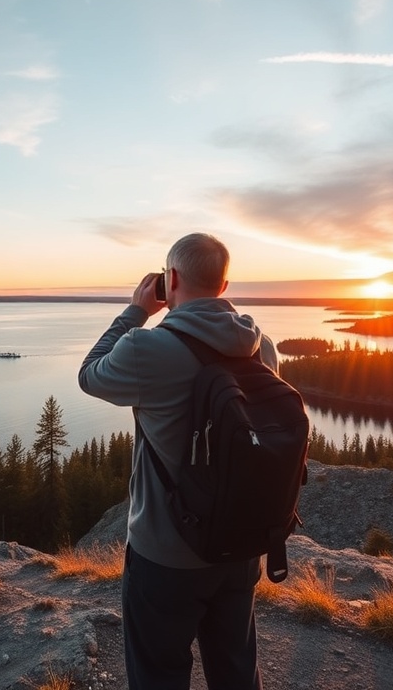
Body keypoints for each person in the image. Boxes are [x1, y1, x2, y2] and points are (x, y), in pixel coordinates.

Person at [78, 232, 277, 690]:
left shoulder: (148, 348)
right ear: (224, 286)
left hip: (166, 557)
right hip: (240, 547)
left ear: (170, 279)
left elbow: (90, 374)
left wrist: (137, 311)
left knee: (158, 675)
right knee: (237, 674)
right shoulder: (261, 346)